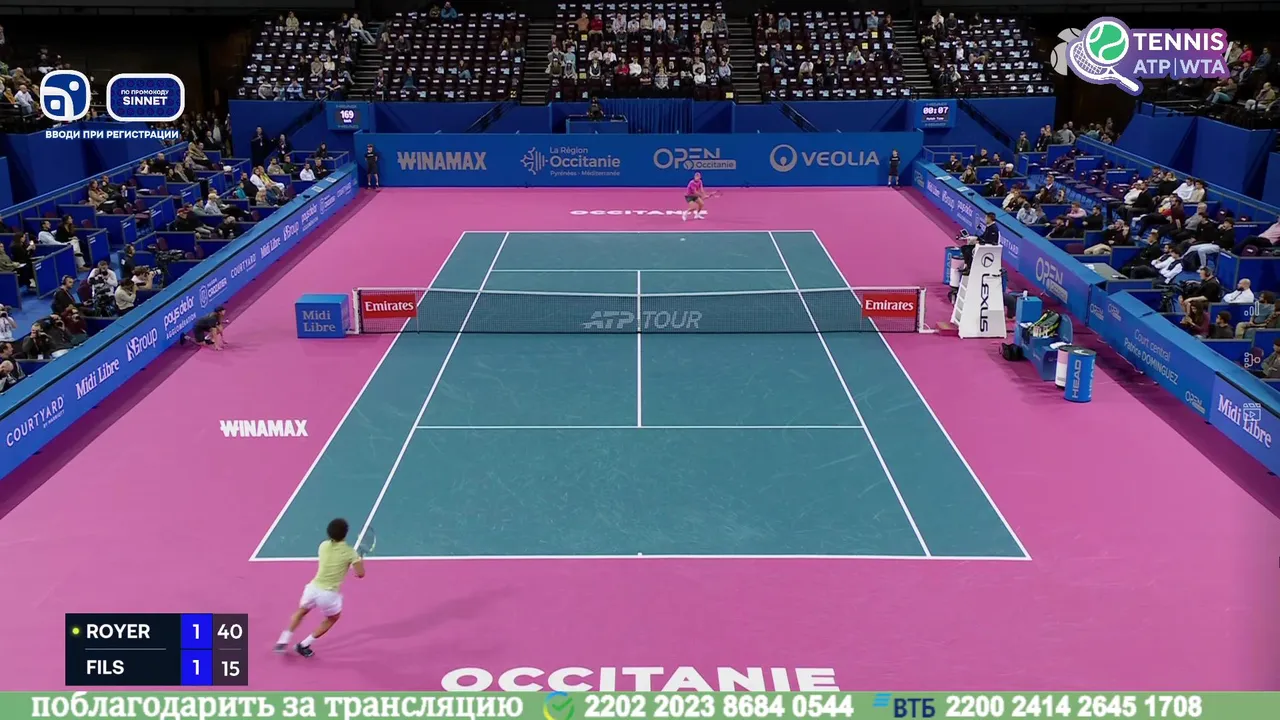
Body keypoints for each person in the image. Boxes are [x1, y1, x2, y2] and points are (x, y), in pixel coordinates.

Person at [275, 518, 366, 658]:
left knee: (301, 612)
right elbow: (360, 574)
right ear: (346, 533)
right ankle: (304, 645)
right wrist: (359, 560)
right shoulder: (350, 553)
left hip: (312, 589)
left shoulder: (323, 545)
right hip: (328, 595)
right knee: (333, 618)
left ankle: (282, 641)